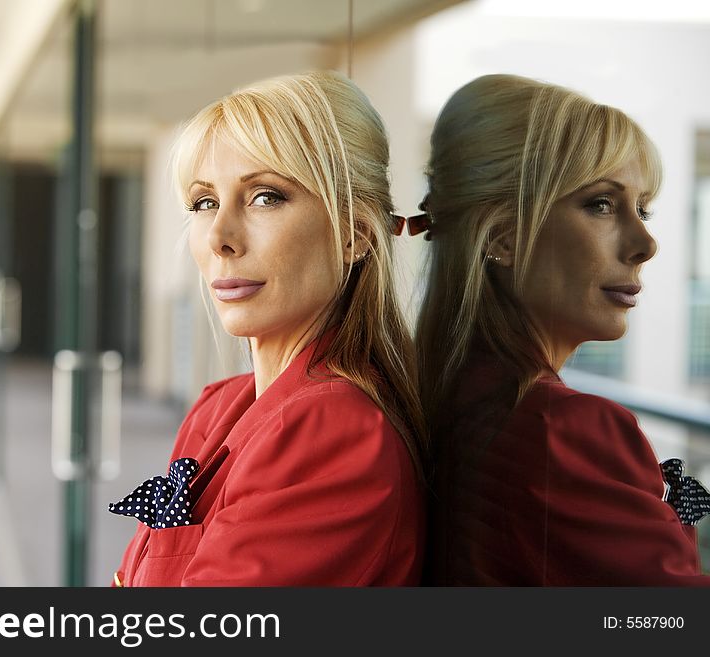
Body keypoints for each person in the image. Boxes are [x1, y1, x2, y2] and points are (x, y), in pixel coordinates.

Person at [108, 70, 427, 586]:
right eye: (204, 202)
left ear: (355, 235)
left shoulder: (332, 430)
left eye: (264, 197)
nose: (220, 238)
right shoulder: (217, 409)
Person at [414, 73, 710, 586]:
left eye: (642, 209)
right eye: (600, 204)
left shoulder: (429, 396)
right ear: (503, 236)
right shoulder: (564, 428)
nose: (646, 244)